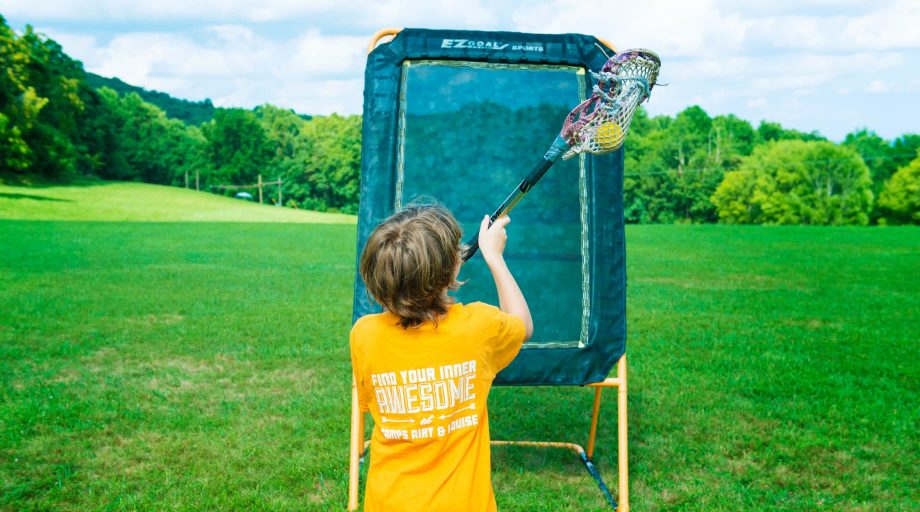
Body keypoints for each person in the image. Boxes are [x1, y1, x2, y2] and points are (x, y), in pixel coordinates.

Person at [350, 204, 533, 511]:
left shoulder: (363, 335)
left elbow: (372, 402)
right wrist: (494, 257)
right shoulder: (480, 326)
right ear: (452, 269)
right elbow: (523, 326)